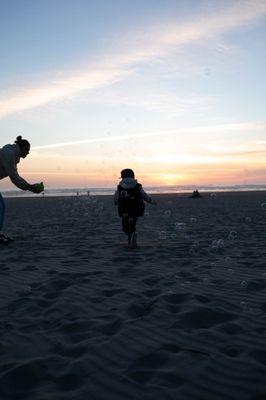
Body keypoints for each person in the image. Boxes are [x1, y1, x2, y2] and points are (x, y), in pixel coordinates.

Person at [0, 136, 44, 243]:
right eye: (27, 150)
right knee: (1, 207)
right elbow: (14, 177)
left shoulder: (12, 155)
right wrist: (30, 187)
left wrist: (30, 187)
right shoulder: (9, 153)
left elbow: (15, 176)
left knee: (1, 206)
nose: (28, 153)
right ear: (22, 148)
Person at [114, 168, 157, 248]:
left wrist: (116, 202)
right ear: (133, 176)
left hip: (124, 209)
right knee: (133, 223)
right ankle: (132, 236)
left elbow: (116, 197)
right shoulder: (138, 186)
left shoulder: (120, 187)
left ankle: (130, 237)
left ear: (122, 177)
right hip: (137, 208)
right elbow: (144, 195)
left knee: (125, 225)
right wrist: (151, 201)